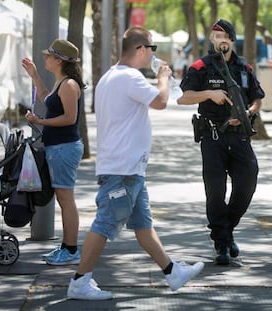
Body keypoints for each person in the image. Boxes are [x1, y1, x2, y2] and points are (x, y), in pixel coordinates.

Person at [66, 26, 204, 300]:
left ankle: (172, 272)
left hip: (128, 168)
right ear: (141, 49)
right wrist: (163, 77)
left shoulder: (110, 76)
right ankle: (80, 281)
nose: (153, 54)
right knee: (105, 223)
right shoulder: (130, 77)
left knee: (143, 224)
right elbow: (162, 101)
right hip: (123, 169)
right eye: (151, 48)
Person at [177, 19, 265, 265]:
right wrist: (209, 94)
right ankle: (222, 243)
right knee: (215, 192)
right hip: (213, 137)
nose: (220, 40)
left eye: (224, 35)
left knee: (247, 184)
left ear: (231, 39)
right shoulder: (200, 66)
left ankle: (226, 230)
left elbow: (257, 99)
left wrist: (247, 113)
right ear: (211, 40)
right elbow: (183, 98)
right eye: (215, 36)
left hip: (239, 137)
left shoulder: (243, 67)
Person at [22, 39, 84, 265]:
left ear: (59, 60)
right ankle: (67, 246)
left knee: (66, 200)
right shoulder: (61, 83)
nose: (45, 58)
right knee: (63, 198)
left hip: (64, 148)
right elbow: (46, 97)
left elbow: (69, 118)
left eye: (49, 56)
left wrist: (40, 120)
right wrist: (34, 75)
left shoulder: (68, 85)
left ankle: (71, 249)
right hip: (58, 147)